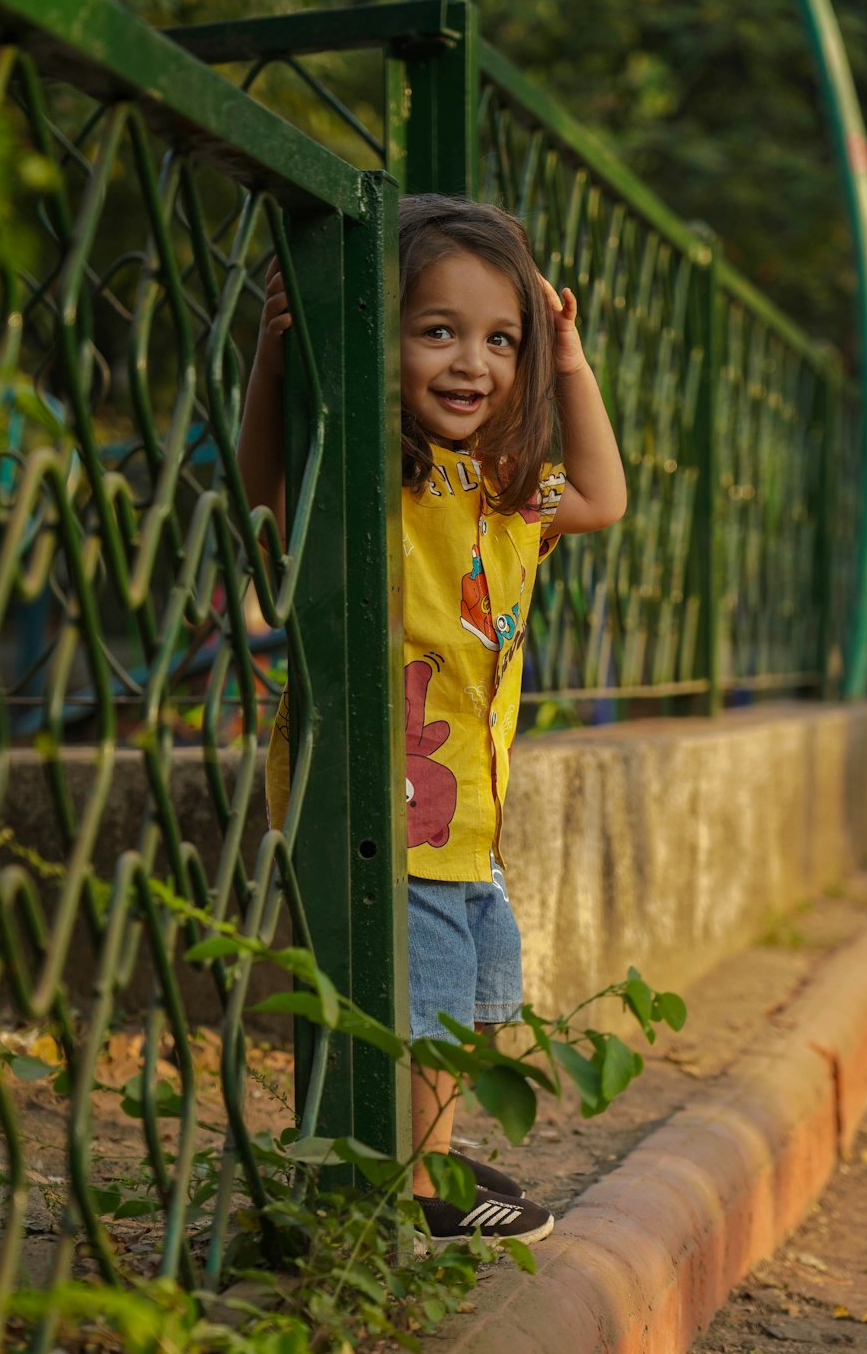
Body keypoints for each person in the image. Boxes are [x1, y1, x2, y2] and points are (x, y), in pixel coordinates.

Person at [238, 193, 626, 1248]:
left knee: (479, 998)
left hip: (471, 815)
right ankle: (413, 1195)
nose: (471, 363)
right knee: (427, 1007)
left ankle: (430, 1158)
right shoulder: (374, 477)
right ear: (378, 338)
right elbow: (264, 485)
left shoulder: (504, 487)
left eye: (500, 340)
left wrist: (571, 357)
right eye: (436, 331)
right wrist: (277, 361)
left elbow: (603, 496)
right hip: (379, 793)